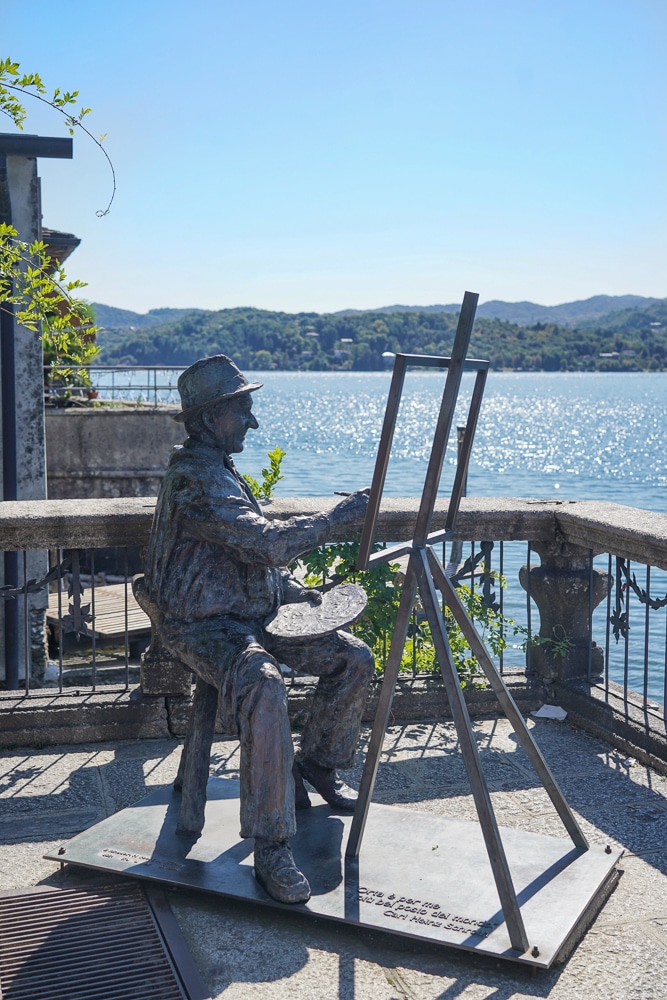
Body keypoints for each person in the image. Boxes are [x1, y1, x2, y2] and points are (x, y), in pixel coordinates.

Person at [144, 354, 374, 905]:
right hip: (202, 626)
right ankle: (271, 843)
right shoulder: (195, 481)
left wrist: (293, 591)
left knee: (353, 658)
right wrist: (335, 520)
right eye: (242, 408)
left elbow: (247, 556)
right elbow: (263, 540)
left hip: (247, 614)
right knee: (262, 683)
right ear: (208, 418)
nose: (252, 421)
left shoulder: (219, 468)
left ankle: (317, 764)